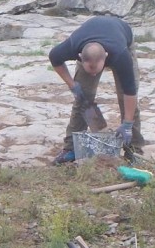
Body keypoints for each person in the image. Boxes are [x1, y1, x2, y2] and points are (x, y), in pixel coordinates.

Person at [49, 16, 146, 165]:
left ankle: (134, 150)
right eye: (90, 71)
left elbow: (130, 93)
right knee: (83, 98)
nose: (94, 74)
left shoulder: (121, 56)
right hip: (91, 41)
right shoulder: (72, 47)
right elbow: (54, 58)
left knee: (126, 102)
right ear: (80, 57)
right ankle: (71, 149)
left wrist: (127, 124)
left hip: (121, 37)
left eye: (97, 70)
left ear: (106, 57)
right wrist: (72, 85)